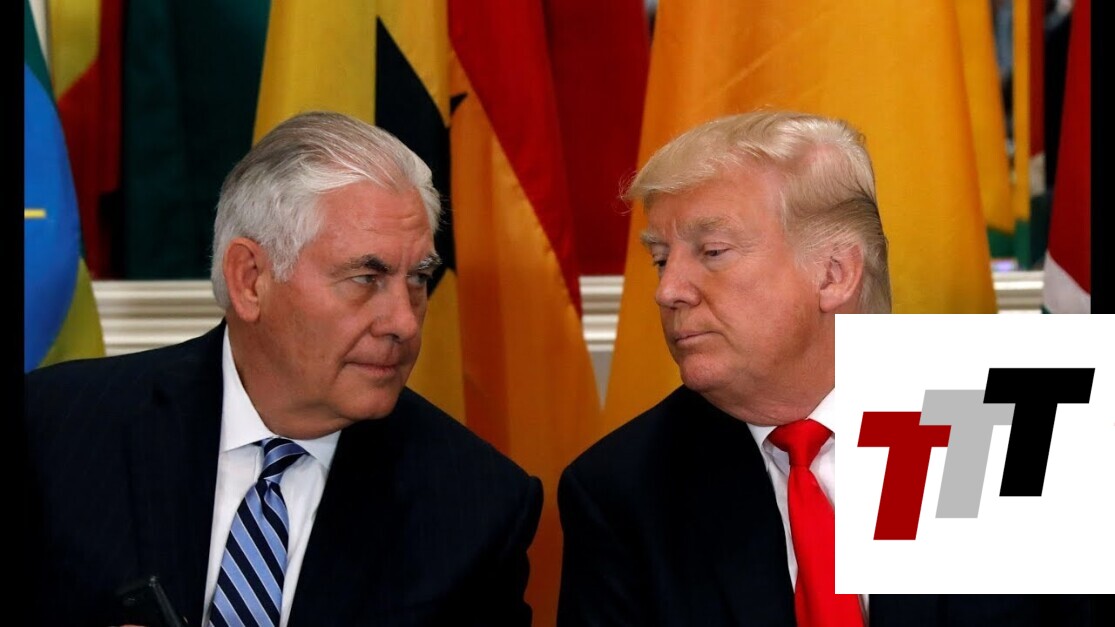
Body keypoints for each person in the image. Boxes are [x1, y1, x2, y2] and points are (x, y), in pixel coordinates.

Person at [555, 110, 1103, 626]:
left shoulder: (1023, 425)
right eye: (660, 259)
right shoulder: (623, 491)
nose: (669, 290)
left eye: (713, 251)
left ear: (834, 274)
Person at [20, 111, 543, 626]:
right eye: (366, 278)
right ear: (250, 280)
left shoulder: (476, 507)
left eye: (418, 279)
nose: (404, 323)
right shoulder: (56, 430)